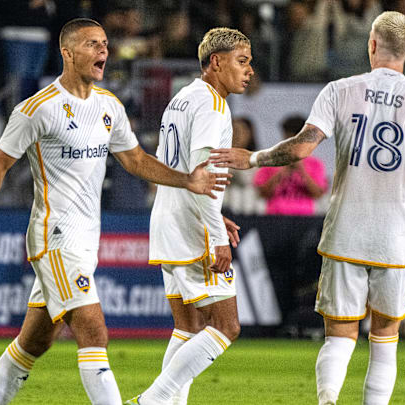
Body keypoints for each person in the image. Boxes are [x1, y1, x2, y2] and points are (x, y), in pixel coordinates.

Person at [0, 18, 229, 405]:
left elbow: (136, 160)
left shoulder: (109, 107)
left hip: (86, 242)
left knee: (34, 341)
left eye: (104, 44)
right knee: (93, 330)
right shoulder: (38, 108)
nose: (103, 50)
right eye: (91, 44)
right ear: (67, 53)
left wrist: (188, 181)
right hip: (54, 238)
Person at [211, 12, 405, 405]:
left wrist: (253, 158)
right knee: (384, 338)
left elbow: (301, 147)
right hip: (394, 234)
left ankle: (328, 399)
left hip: (346, 227)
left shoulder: (340, 90)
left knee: (340, 334)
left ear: (371, 44)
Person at [125, 27, 253, 405]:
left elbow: (182, 169)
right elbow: (202, 170)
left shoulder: (182, 98)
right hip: (193, 226)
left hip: (167, 218)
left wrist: (216, 214)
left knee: (189, 326)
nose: (249, 71)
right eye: (242, 62)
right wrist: (215, 232)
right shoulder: (213, 105)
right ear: (216, 61)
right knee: (226, 327)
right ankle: (150, 400)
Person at [253, 116, 327, 216]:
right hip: (275, 216)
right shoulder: (270, 160)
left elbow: (317, 194)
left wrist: (302, 171)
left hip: (304, 218)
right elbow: (262, 193)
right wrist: (281, 172)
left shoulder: (315, 164)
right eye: (287, 138)